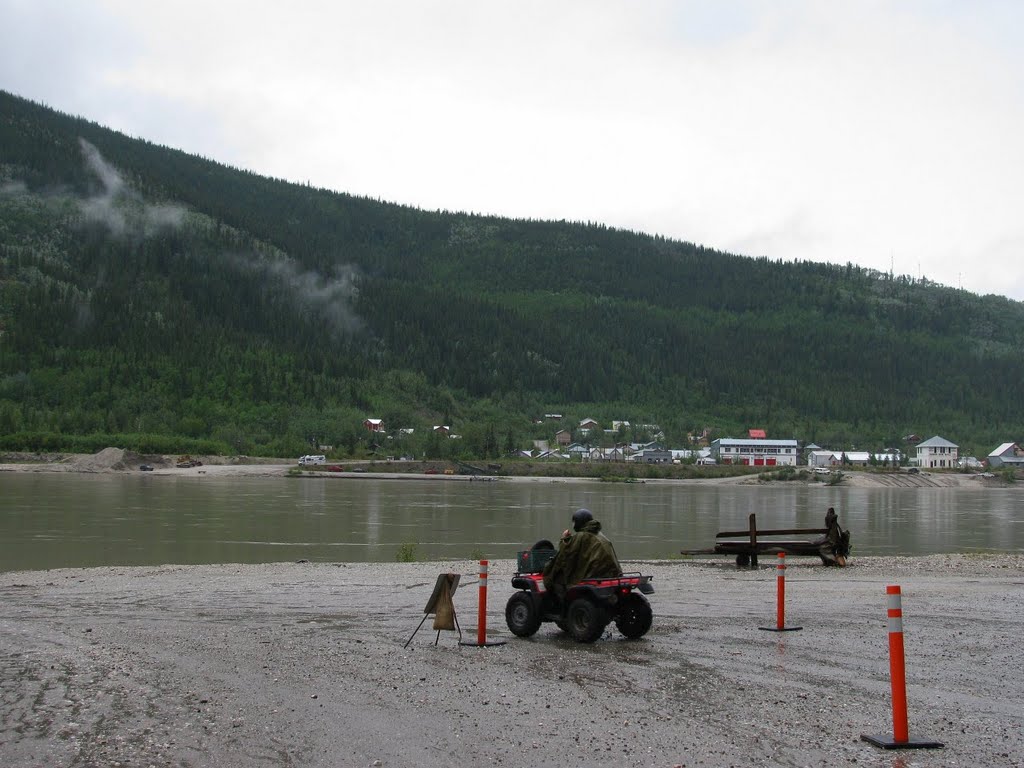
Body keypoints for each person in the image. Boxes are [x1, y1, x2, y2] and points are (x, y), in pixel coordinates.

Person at [542, 508, 622, 599]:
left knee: (557, 578)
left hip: (594, 574)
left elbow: (566, 554)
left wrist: (564, 539)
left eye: (574, 522)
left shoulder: (581, 536)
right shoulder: (600, 535)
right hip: (612, 573)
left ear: (578, 522)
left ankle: (562, 602)